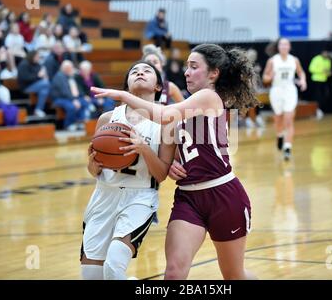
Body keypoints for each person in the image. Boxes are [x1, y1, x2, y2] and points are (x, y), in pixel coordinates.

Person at [91, 43, 258, 280]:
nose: (186, 72)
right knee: (173, 274)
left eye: (193, 67)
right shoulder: (188, 104)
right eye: (186, 67)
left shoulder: (209, 97)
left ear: (214, 73)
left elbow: (165, 115)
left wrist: (124, 96)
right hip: (188, 197)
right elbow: (188, 146)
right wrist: (173, 163)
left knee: (233, 275)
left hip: (222, 194)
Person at [81, 60, 175, 280]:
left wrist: (143, 147)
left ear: (158, 87)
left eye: (147, 71)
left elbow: (161, 174)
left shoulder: (166, 122)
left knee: (113, 268)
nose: (140, 72)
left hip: (139, 198)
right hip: (103, 196)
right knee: (91, 277)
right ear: (126, 88)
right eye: (134, 71)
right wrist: (92, 166)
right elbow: (96, 168)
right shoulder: (107, 119)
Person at [262, 38, 307, 161]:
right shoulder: (272, 61)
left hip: (290, 91)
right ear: (278, 47)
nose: (284, 46)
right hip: (276, 90)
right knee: (278, 119)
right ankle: (279, 135)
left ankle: (287, 148)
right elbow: (265, 78)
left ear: (289, 46)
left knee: (288, 119)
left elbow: (301, 72)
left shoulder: (294, 60)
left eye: (286, 44)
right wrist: (269, 77)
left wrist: (303, 80)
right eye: (281, 44)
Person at [50, 60, 90, 131]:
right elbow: (64, 91)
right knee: (71, 106)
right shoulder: (60, 76)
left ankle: (80, 122)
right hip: (59, 99)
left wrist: (83, 96)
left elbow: (77, 89)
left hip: (69, 98)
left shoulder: (70, 76)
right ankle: (68, 124)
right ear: (66, 68)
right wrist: (73, 100)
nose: (72, 69)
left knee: (84, 102)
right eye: (71, 68)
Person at [17, 50, 51, 117]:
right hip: (26, 86)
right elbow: (25, 78)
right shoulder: (24, 64)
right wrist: (38, 76)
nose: (39, 58)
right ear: (32, 56)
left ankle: (38, 109)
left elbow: (41, 75)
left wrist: (44, 75)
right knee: (47, 83)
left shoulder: (37, 64)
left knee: (44, 91)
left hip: (37, 85)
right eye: (37, 57)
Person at [309, 49, 332, 119]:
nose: (326, 54)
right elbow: (311, 69)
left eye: (327, 53)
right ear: (322, 53)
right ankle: (317, 110)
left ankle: (321, 110)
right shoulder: (316, 59)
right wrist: (321, 71)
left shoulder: (328, 60)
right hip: (316, 80)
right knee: (317, 97)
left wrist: (328, 73)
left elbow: (328, 71)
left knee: (325, 96)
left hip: (324, 80)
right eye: (325, 53)